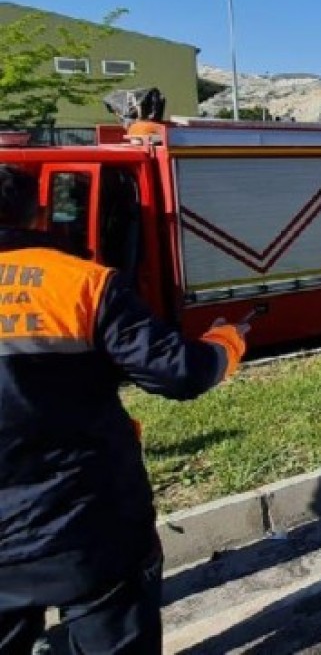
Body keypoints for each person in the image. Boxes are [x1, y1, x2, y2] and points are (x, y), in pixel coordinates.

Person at [0, 165, 248, 654]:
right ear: (41, 212)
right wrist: (226, 343)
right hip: (85, 520)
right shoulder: (82, 284)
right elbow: (179, 373)